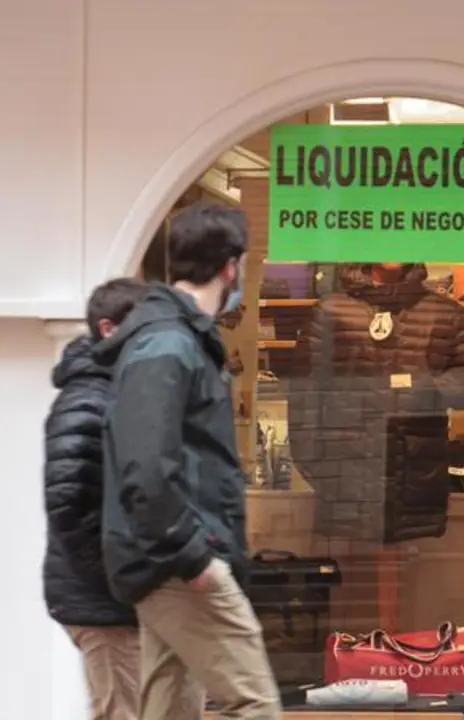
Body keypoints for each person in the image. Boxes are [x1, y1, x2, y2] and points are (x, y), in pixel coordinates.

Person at [96, 201, 281, 720]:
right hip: (179, 561)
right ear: (230, 266)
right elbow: (145, 465)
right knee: (256, 705)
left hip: (164, 559)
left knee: (171, 707)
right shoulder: (169, 344)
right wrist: (194, 558)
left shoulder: (172, 340)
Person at [43, 277, 166, 720]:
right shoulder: (89, 400)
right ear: (110, 329)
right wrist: (122, 579)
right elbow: (68, 502)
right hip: (104, 602)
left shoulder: (116, 391)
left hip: (116, 597)